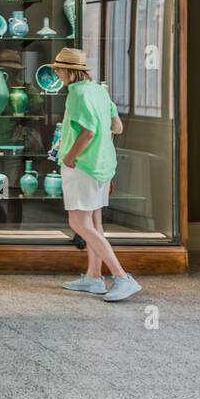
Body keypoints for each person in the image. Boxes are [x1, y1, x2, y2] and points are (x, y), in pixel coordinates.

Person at [52, 48, 139, 301]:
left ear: (70, 71)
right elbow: (117, 126)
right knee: (94, 223)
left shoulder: (76, 93)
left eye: (59, 69)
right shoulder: (99, 90)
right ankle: (93, 277)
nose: (57, 73)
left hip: (83, 166)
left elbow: (88, 131)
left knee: (78, 223)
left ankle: (122, 277)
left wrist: (69, 157)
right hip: (103, 165)